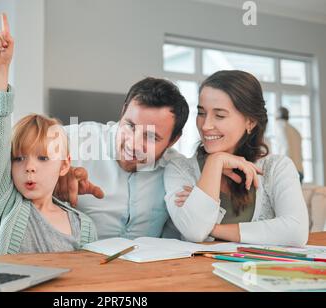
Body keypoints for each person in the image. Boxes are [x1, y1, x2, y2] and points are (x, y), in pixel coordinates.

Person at [0, 13, 97, 255]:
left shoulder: (84, 226)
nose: (29, 168)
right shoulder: (2, 201)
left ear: (64, 165)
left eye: (42, 158)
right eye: (19, 158)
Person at [164, 70, 309, 247]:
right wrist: (215, 162)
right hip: (197, 274)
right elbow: (195, 231)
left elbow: (295, 232)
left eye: (220, 115)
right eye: (201, 113)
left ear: (250, 122)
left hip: (256, 273)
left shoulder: (276, 168)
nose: (206, 125)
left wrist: (212, 229)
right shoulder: (178, 169)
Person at [54, 77, 190, 240]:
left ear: (173, 140)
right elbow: (21, 151)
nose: (134, 145)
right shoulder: (74, 140)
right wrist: (50, 175)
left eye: (152, 137)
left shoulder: (177, 169)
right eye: (130, 126)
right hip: (77, 261)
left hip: (146, 263)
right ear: (123, 111)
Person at [272, 107, 304, 183]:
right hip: (299, 169)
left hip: (288, 171)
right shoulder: (296, 130)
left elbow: (285, 147)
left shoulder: (279, 125)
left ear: (277, 116)